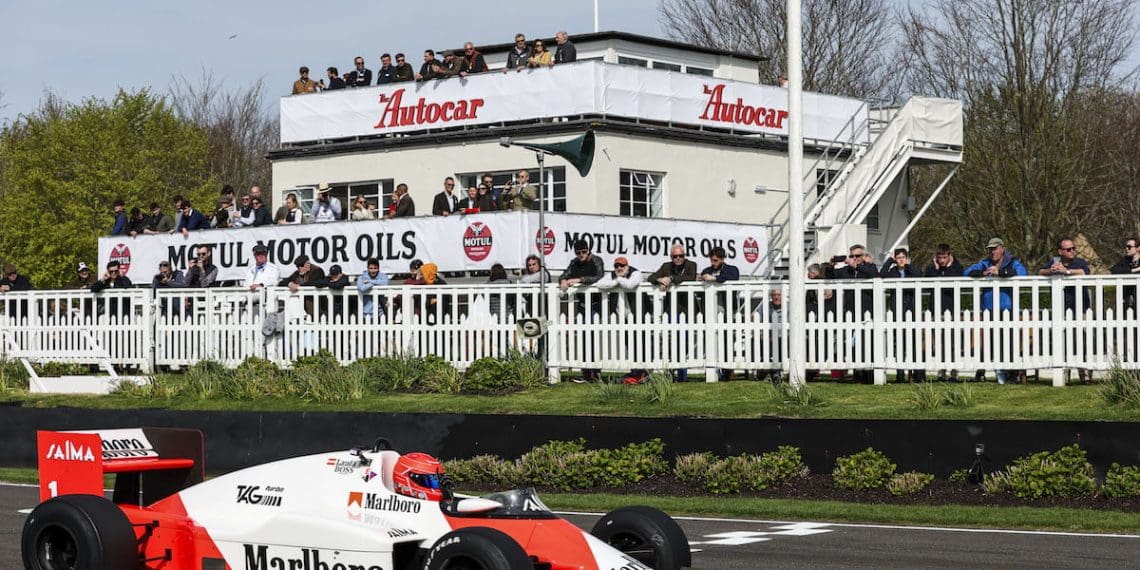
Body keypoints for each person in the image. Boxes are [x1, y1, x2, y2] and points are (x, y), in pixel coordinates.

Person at [965, 237, 1028, 384]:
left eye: (995, 248)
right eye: (990, 249)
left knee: (1009, 342)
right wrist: (984, 273)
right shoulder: (984, 263)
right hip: (988, 310)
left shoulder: (1012, 262)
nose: (992, 252)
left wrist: (1001, 272)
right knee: (989, 343)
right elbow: (967, 272)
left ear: (1002, 248)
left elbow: (1022, 274)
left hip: (1007, 308)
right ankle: (989, 372)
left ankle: (1012, 374)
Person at [1038, 237, 1092, 384]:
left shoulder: (1079, 262)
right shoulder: (1054, 261)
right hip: (1062, 309)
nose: (1072, 251)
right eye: (1068, 249)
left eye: (1073, 248)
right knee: (1064, 342)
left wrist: (1066, 271)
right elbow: (1040, 272)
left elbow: (1084, 272)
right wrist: (1051, 270)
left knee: (1083, 342)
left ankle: (1085, 375)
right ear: (1060, 251)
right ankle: (1065, 375)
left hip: (1081, 308)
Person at [595, 256, 647, 384]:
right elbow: (600, 284)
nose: (619, 268)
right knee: (629, 345)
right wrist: (618, 280)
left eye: (622, 266)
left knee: (640, 345)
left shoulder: (636, 273)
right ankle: (635, 372)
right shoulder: (613, 275)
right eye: (616, 266)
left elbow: (629, 285)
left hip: (637, 315)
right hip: (622, 317)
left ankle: (642, 373)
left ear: (627, 266)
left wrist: (618, 280)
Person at [560, 240, 605, 382]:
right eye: (578, 252)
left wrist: (580, 279)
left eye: (583, 252)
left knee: (593, 338)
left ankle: (595, 372)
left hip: (595, 304)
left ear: (589, 250)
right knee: (583, 338)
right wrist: (563, 281)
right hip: (582, 305)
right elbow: (564, 275)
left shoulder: (597, 260)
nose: (581, 255)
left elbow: (599, 276)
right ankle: (586, 372)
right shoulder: (574, 262)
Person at [922, 244, 964, 382]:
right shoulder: (932, 268)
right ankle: (941, 371)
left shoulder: (957, 267)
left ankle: (954, 370)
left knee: (952, 341)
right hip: (936, 310)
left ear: (949, 256)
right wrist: (936, 268)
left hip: (952, 310)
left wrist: (948, 267)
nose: (941, 261)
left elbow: (954, 277)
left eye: (944, 257)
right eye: (939, 258)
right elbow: (928, 277)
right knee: (939, 342)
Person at [880, 248, 923, 382]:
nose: (901, 260)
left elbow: (919, 275)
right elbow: (882, 274)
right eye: (898, 257)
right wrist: (889, 261)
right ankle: (900, 374)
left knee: (914, 343)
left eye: (903, 257)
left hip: (912, 309)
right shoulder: (893, 272)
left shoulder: (910, 271)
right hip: (898, 310)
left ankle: (917, 374)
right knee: (900, 343)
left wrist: (908, 265)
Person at [700, 246, 741, 381]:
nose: (713, 263)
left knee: (728, 341)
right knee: (712, 341)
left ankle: (728, 371)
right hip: (712, 312)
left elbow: (732, 277)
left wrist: (713, 279)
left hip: (728, 310)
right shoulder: (707, 271)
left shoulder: (732, 269)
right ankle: (713, 369)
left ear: (723, 259)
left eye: (716, 260)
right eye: (711, 260)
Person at [1110, 237, 1140, 314]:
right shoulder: (1126, 260)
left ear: (1138, 248)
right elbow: (1114, 270)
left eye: (1129, 247)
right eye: (1126, 247)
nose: (1127, 249)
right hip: (1126, 296)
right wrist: (1134, 270)